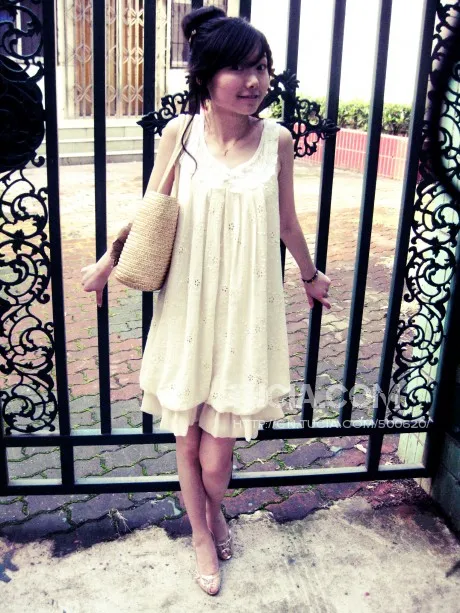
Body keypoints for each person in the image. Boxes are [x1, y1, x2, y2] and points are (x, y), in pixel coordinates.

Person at [81, 5, 331, 596]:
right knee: (186, 438)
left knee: (217, 458)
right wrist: (106, 263)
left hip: (245, 312)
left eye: (262, 67)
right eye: (240, 68)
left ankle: (212, 508)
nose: (255, 81)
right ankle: (201, 533)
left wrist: (309, 275)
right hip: (187, 308)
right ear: (206, 75)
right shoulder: (180, 135)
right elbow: (151, 211)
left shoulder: (276, 140)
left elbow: (287, 222)